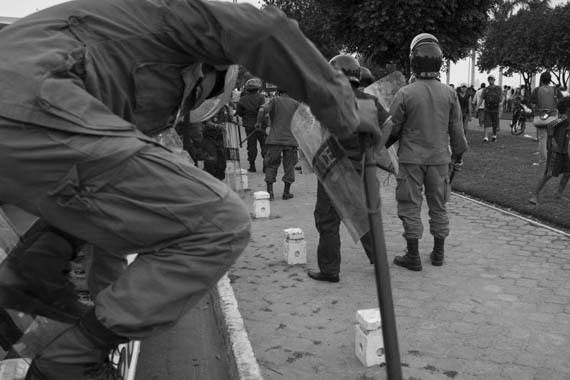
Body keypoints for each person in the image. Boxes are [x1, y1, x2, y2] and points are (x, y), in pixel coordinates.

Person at [0, 1, 385, 379]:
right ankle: (66, 362)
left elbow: (109, 207)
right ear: (209, 70)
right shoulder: (169, 13)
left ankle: (26, 278)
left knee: (121, 208)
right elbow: (265, 29)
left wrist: (110, 306)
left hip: (25, 112)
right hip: (28, 94)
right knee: (218, 223)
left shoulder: (112, 69)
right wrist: (345, 109)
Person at [307, 55, 392, 283]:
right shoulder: (368, 101)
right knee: (363, 216)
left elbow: (317, 133)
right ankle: (379, 260)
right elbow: (389, 124)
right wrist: (374, 150)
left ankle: (330, 269)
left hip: (333, 168)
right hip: (362, 167)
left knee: (327, 220)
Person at [389, 33, 467, 271]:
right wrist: (458, 156)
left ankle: (412, 256)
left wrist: (376, 148)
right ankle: (438, 253)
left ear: (414, 61)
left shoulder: (405, 93)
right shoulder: (450, 93)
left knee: (409, 205)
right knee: (439, 205)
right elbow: (457, 131)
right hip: (440, 160)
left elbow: (392, 129)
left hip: (411, 160)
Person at [257, 89, 300, 200]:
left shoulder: (274, 101)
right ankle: (286, 193)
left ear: (278, 91)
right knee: (289, 166)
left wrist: (258, 123)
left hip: (274, 140)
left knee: (271, 165)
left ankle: (270, 193)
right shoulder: (296, 104)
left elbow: (262, 110)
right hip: (290, 141)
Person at [529, 97, 570, 205]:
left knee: (568, 172)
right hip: (555, 152)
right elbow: (550, 125)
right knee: (548, 174)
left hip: (564, 151)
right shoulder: (563, 118)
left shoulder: (568, 119)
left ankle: (559, 194)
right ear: (567, 109)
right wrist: (552, 140)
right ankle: (535, 195)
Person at [529, 72, 564, 166]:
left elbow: (530, 102)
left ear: (541, 80)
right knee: (553, 140)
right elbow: (562, 101)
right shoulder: (555, 90)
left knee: (542, 140)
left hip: (540, 118)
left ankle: (543, 161)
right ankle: (555, 161)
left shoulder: (536, 90)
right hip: (553, 118)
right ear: (550, 80)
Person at [237, 77, 266, 172]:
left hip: (249, 125)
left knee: (251, 146)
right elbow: (264, 110)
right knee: (264, 145)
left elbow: (239, 112)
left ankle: (252, 166)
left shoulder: (242, 99)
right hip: (261, 125)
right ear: (258, 88)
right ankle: (265, 166)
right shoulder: (261, 98)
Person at [477, 75, 502, 143]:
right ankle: (485, 137)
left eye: (492, 79)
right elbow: (482, 98)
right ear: (488, 80)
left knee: (495, 123)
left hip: (495, 108)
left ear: (494, 80)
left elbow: (501, 97)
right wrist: (477, 106)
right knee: (486, 122)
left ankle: (494, 136)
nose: (490, 80)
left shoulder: (498, 88)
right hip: (487, 108)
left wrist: (501, 104)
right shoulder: (485, 89)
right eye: (489, 79)